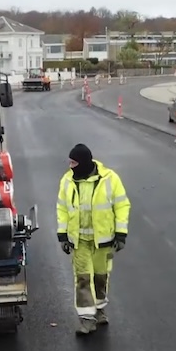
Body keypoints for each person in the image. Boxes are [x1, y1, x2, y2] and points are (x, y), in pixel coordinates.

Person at [56, 143, 130, 335]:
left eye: (74, 162)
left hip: (103, 241)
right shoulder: (68, 181)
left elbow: (122, 206)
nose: (70, 166)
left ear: (84, 163)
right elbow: (62, 209)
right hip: (79, 241)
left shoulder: (109, 179)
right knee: (82, 279)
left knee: (100, 277)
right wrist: (63, 235)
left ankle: (99, 310)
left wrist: (121, 234)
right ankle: (86, 319)